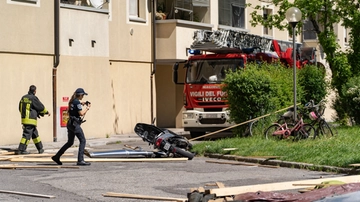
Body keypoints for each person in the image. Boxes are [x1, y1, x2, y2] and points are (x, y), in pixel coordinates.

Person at [52, 88, 91, 166]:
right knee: (82, 140)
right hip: (75, 124)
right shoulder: (77, 103)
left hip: (70, 124)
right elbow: (81, 113)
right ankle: (80, 160)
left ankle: (57, 156)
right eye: (83, 95)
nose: (83, 96)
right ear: (80, 95)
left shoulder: (72, 101)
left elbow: (75, 106)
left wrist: (82, 103)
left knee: (70, 142)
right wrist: (87, 108)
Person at [18, 85, 51, 154]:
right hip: (31, 120)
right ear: (35, 91)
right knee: (26, 135)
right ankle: (21, 149)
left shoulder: (23, 98)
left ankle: (40, 148)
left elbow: (20, 108)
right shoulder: (33, 98)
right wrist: (46, 112)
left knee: (35, 134)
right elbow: (40, 107)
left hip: (24, 119)